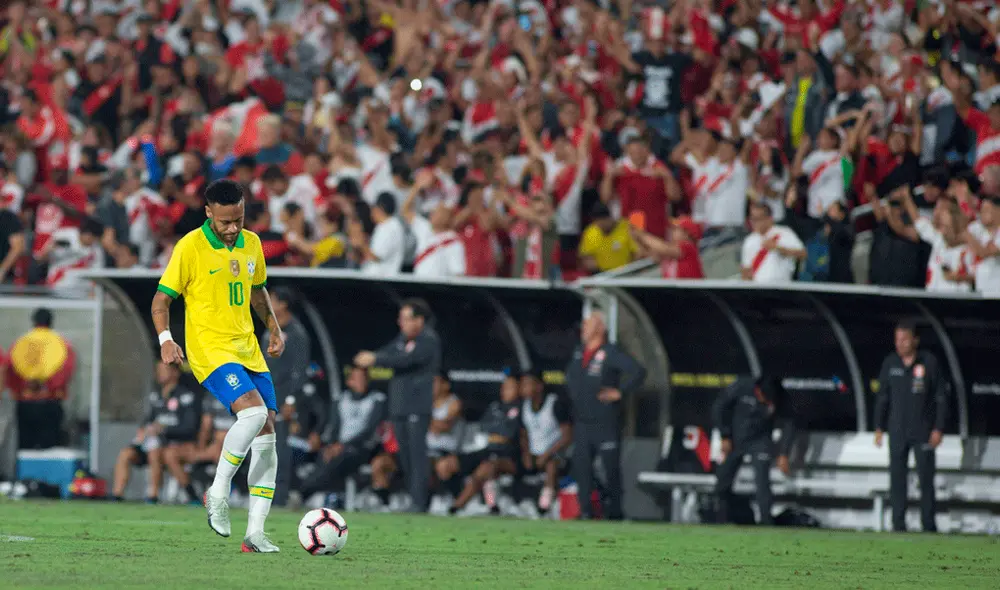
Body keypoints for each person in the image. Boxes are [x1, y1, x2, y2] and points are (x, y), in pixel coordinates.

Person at [151, 178, 286, 553]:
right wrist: (166, 341)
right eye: (225, 221)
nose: (232, 228)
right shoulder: (190, 246)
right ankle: (218, 490)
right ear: (208, 212)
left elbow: (257, 290)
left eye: (238, 220)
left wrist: (273, 328)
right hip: (210, 348)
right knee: (254, 413)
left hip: (247, 348)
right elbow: (161, 302)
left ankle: (255, 533)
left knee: (268, 432)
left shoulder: (252, 243)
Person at [354, 298, 441, 513]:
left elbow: (404, 360)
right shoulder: (403, 339)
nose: (401, 323)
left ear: (419, 320)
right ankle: (412, 498)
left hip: (417, 407)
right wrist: (374, 356)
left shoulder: (428, 340)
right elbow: (390, 352)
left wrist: (374, 358)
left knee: (417, 455)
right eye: (400, 318)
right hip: (399, 406)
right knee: (404, 456)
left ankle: (420, 502)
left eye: (406, 319)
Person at [564, 311, 646, 520]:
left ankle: (615, 512)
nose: (583, 328)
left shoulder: (610, 352)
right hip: (582, 421)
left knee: (611, 469)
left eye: (588, 324)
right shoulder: (578, 352)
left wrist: (620, 391)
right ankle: (585, 511)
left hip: (605, 421)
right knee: (581, 468)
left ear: (600, 328)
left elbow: (637, 371)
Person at [874, 321, 949, 533]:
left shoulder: (929, 362)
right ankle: (898, 524)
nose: (900, 344)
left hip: (923, 430)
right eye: (897, 339)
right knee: (897, 479)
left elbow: (941, 398)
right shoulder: (890, 363)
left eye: (905, 339)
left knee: (926, 479)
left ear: (915, 340)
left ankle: (929, 525)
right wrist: (878, 427)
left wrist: (938, 428)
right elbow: (882, 398)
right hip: (897, 430)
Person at [711, 376, 796, 526]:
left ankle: (766, 522)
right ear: (757, 390)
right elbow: (720, 407)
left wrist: (783, 453)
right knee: (723, 481)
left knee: (762, 483)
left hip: (760, 440)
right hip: (735, 438)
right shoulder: (742, 387)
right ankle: (721, 519)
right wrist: (725, 435)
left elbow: (790, 424)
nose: (767, 403)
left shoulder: (779, 394)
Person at [438, 372, 522, 515]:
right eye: (504, 387)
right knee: (445, 465)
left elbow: (509, 434)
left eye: (510, 387)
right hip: (486, 450)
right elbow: (484, 427)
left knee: (486, 468)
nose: (505, 391)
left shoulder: (521, 409)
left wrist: (497, 434)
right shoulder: (495, 407)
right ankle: (452, 499)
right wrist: (497, 434)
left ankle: (460, 507)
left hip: (509, 455)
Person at [298, 366, 386, 501]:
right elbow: (334, 427)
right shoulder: (341, 400)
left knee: (339, 458)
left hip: (363, 449)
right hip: (338, 448)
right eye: (357, 378)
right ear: (349, 381)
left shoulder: (377, 399)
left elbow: (370, 431)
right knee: (325, 455)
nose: (361, 382)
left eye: (363, 378)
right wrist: (332, 445)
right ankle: (307, 492)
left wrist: (343, 446)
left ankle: (304, 492)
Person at [5, 308, 76, 450]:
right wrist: (49, 385)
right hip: (50, 402)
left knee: (25, 447)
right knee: (49, 448)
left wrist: (21, 389)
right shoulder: (62, 344)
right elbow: (66, 372)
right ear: (51, 322)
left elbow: (10, 370)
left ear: (33, 322)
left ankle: (25, 472)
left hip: (25, 403)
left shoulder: (20, 343)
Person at [140, 361, 204, 504]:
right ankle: (146, 495)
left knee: (168, 454)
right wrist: (143, 431)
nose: (159, 373)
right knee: (127, 454)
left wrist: (164, 430)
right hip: (156, 444)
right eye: (158, 369)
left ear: (175, 372)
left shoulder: (186, 396)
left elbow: (190, 427)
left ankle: (191, 495)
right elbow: (147, 421)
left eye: (164, 369)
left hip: (181, 444)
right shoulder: (155, 396)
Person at [518, 369, 572, 513]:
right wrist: (526, 454)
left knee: (551, 465)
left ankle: (544, 505)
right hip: (533, 454)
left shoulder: (554, 404)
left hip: (555, 454)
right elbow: (523, 434)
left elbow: (567, 436)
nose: (523, 388)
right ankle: (494, 506)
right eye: (522, 385)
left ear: (539, 386)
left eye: (527, 384)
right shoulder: (523, 406)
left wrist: (546, 455)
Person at [740, 201, 806, 282]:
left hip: (781, 287)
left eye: (758, 219)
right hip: (758, 289)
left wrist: (777, 248)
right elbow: (746, 270)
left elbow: (803, 254)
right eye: (752, 218)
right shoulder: (749, 240)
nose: (754, 222)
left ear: (769, 218)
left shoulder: (785, 233)